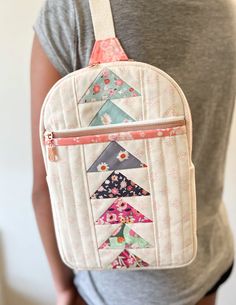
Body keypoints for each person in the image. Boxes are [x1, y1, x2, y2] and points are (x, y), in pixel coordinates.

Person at [30, 1, 236, 305]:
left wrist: (63, 288)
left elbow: (43, 189)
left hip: (120, 287)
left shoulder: (73, 10)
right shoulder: (223, 8)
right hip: (210, 257)